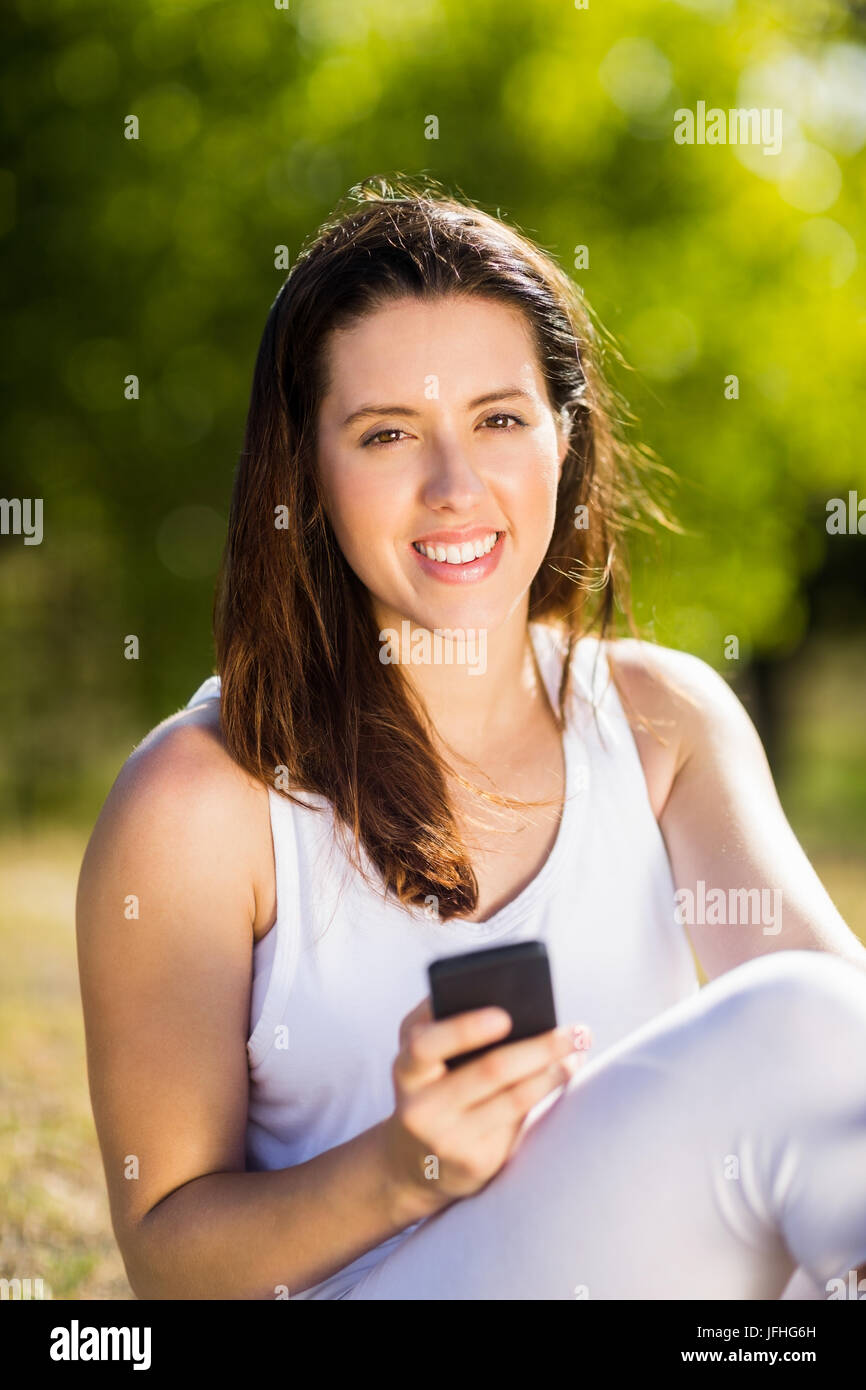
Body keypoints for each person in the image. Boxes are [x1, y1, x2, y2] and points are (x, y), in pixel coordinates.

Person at [76, 176, 866, 1301]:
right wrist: (410, 1166)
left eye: (498, 419)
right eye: (387, 432)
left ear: (561, 436)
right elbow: (168, 1262)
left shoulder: (661, 721)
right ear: (307, 473)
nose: (455, 488)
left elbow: (844, 1065)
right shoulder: (199, 800)